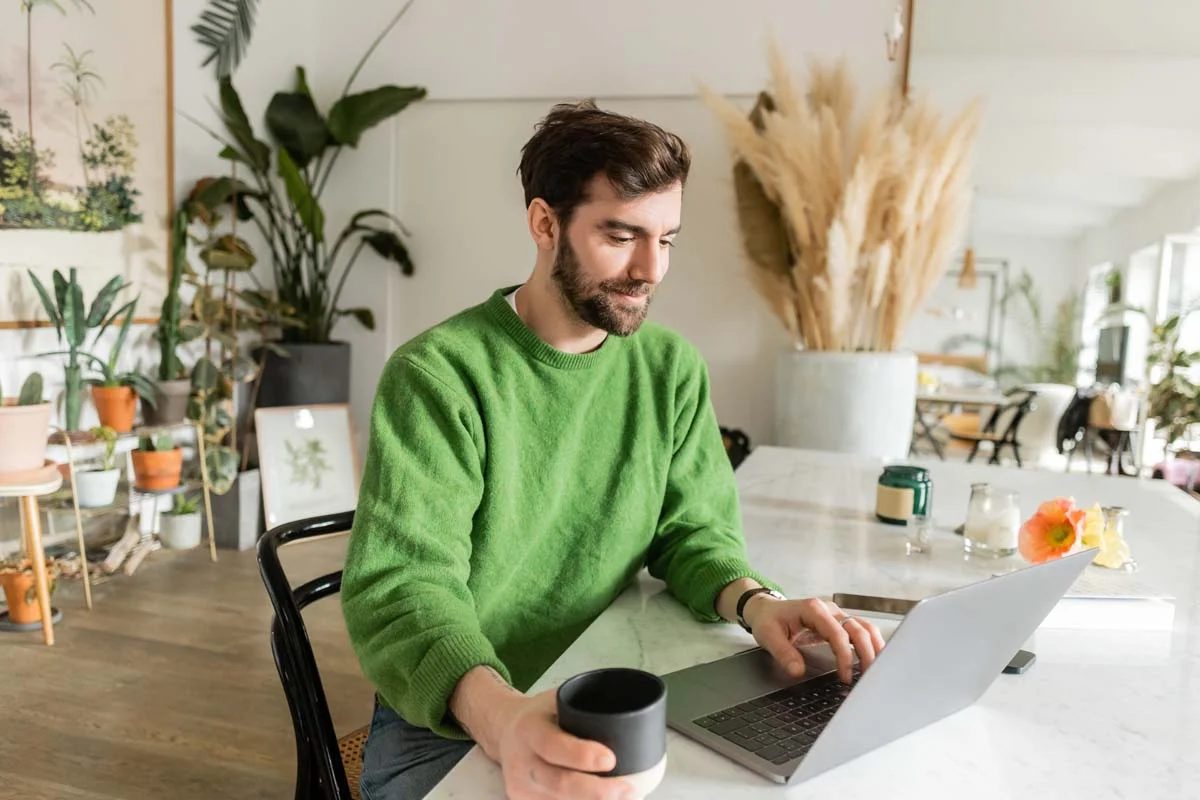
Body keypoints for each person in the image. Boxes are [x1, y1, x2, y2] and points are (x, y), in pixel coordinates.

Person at [341, 100, 885, 800]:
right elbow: (402, 588)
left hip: (611, 683)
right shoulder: (439, 376)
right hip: (454, 712)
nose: (649, 269)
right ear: (545, 224)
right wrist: (501, 717)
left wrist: (757, 602)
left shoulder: (670, 368)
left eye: (667, 240)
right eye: (621, 235)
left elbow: (691, 531)